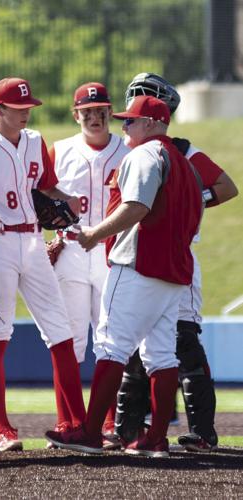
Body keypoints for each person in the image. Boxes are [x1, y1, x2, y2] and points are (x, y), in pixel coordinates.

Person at [45, 94, 203, 457]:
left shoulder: (146, 155)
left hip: (140, 264)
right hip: (174, 271)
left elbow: (136, 206)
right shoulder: (183, 161)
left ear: (152, 123)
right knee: (161, 355)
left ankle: (88, 432)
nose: (123, 126)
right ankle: (156, 438)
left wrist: (93, 235)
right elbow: (197, 214)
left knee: (110, 345)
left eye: (130, 121)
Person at [110, 73, 238, 453]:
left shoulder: (183, 149)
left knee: (182, 341)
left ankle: (202, 431)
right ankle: (126, 429)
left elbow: (227, 187)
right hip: (135, 253)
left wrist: (184, 202)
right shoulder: (128, 146)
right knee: (132, 345)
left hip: (175, 254)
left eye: (145, 97)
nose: (136, 104)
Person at [0, 77, 86, 452]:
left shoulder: (34, 140)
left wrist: (68, 200)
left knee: (61, 332)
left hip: (33, 241)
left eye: (29, 106)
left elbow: (46, 186)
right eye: (18, 108)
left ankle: (74, 423)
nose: (26, 112)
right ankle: (3, 429)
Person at [48, 82, 130, 438]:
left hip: (113, 250)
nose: (94, 117)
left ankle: (107, 421)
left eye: (101, 111)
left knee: (108, 337)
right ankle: (67, 420)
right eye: (87, 112)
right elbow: (37, 196)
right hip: (70, 249)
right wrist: (48, 233)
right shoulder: (60, 150)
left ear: (111, 113)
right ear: (75, 114)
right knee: (69, 339)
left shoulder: (129, 149)